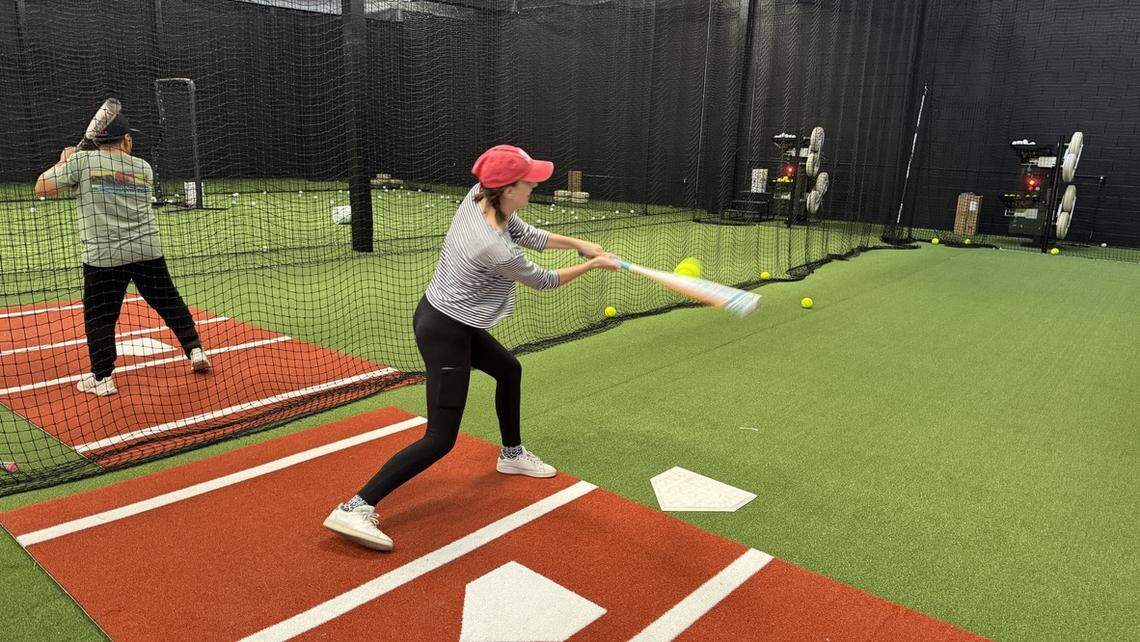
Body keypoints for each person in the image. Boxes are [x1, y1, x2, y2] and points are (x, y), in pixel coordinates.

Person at [324, 145, 617, 550]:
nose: (534, 184)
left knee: (509, 370)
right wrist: (593, 265)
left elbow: (527, 233)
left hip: (454, 321)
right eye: (528, 180)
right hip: (445, 331)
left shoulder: (479, 196)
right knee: (440, 439)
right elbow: (543, 281)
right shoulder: (491, 245)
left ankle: (511, 454)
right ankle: (355, 506)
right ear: (508, 189)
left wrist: (579, 244)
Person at [34, 111, 211, 397]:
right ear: (126, 139)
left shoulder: (82, 161)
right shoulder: (143, 167)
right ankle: (195, 350)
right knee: (169, 303)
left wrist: (64, 161)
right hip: (146, 250)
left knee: (101, 317)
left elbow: (42, 187)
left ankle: (102, 378)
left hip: (104, 257)